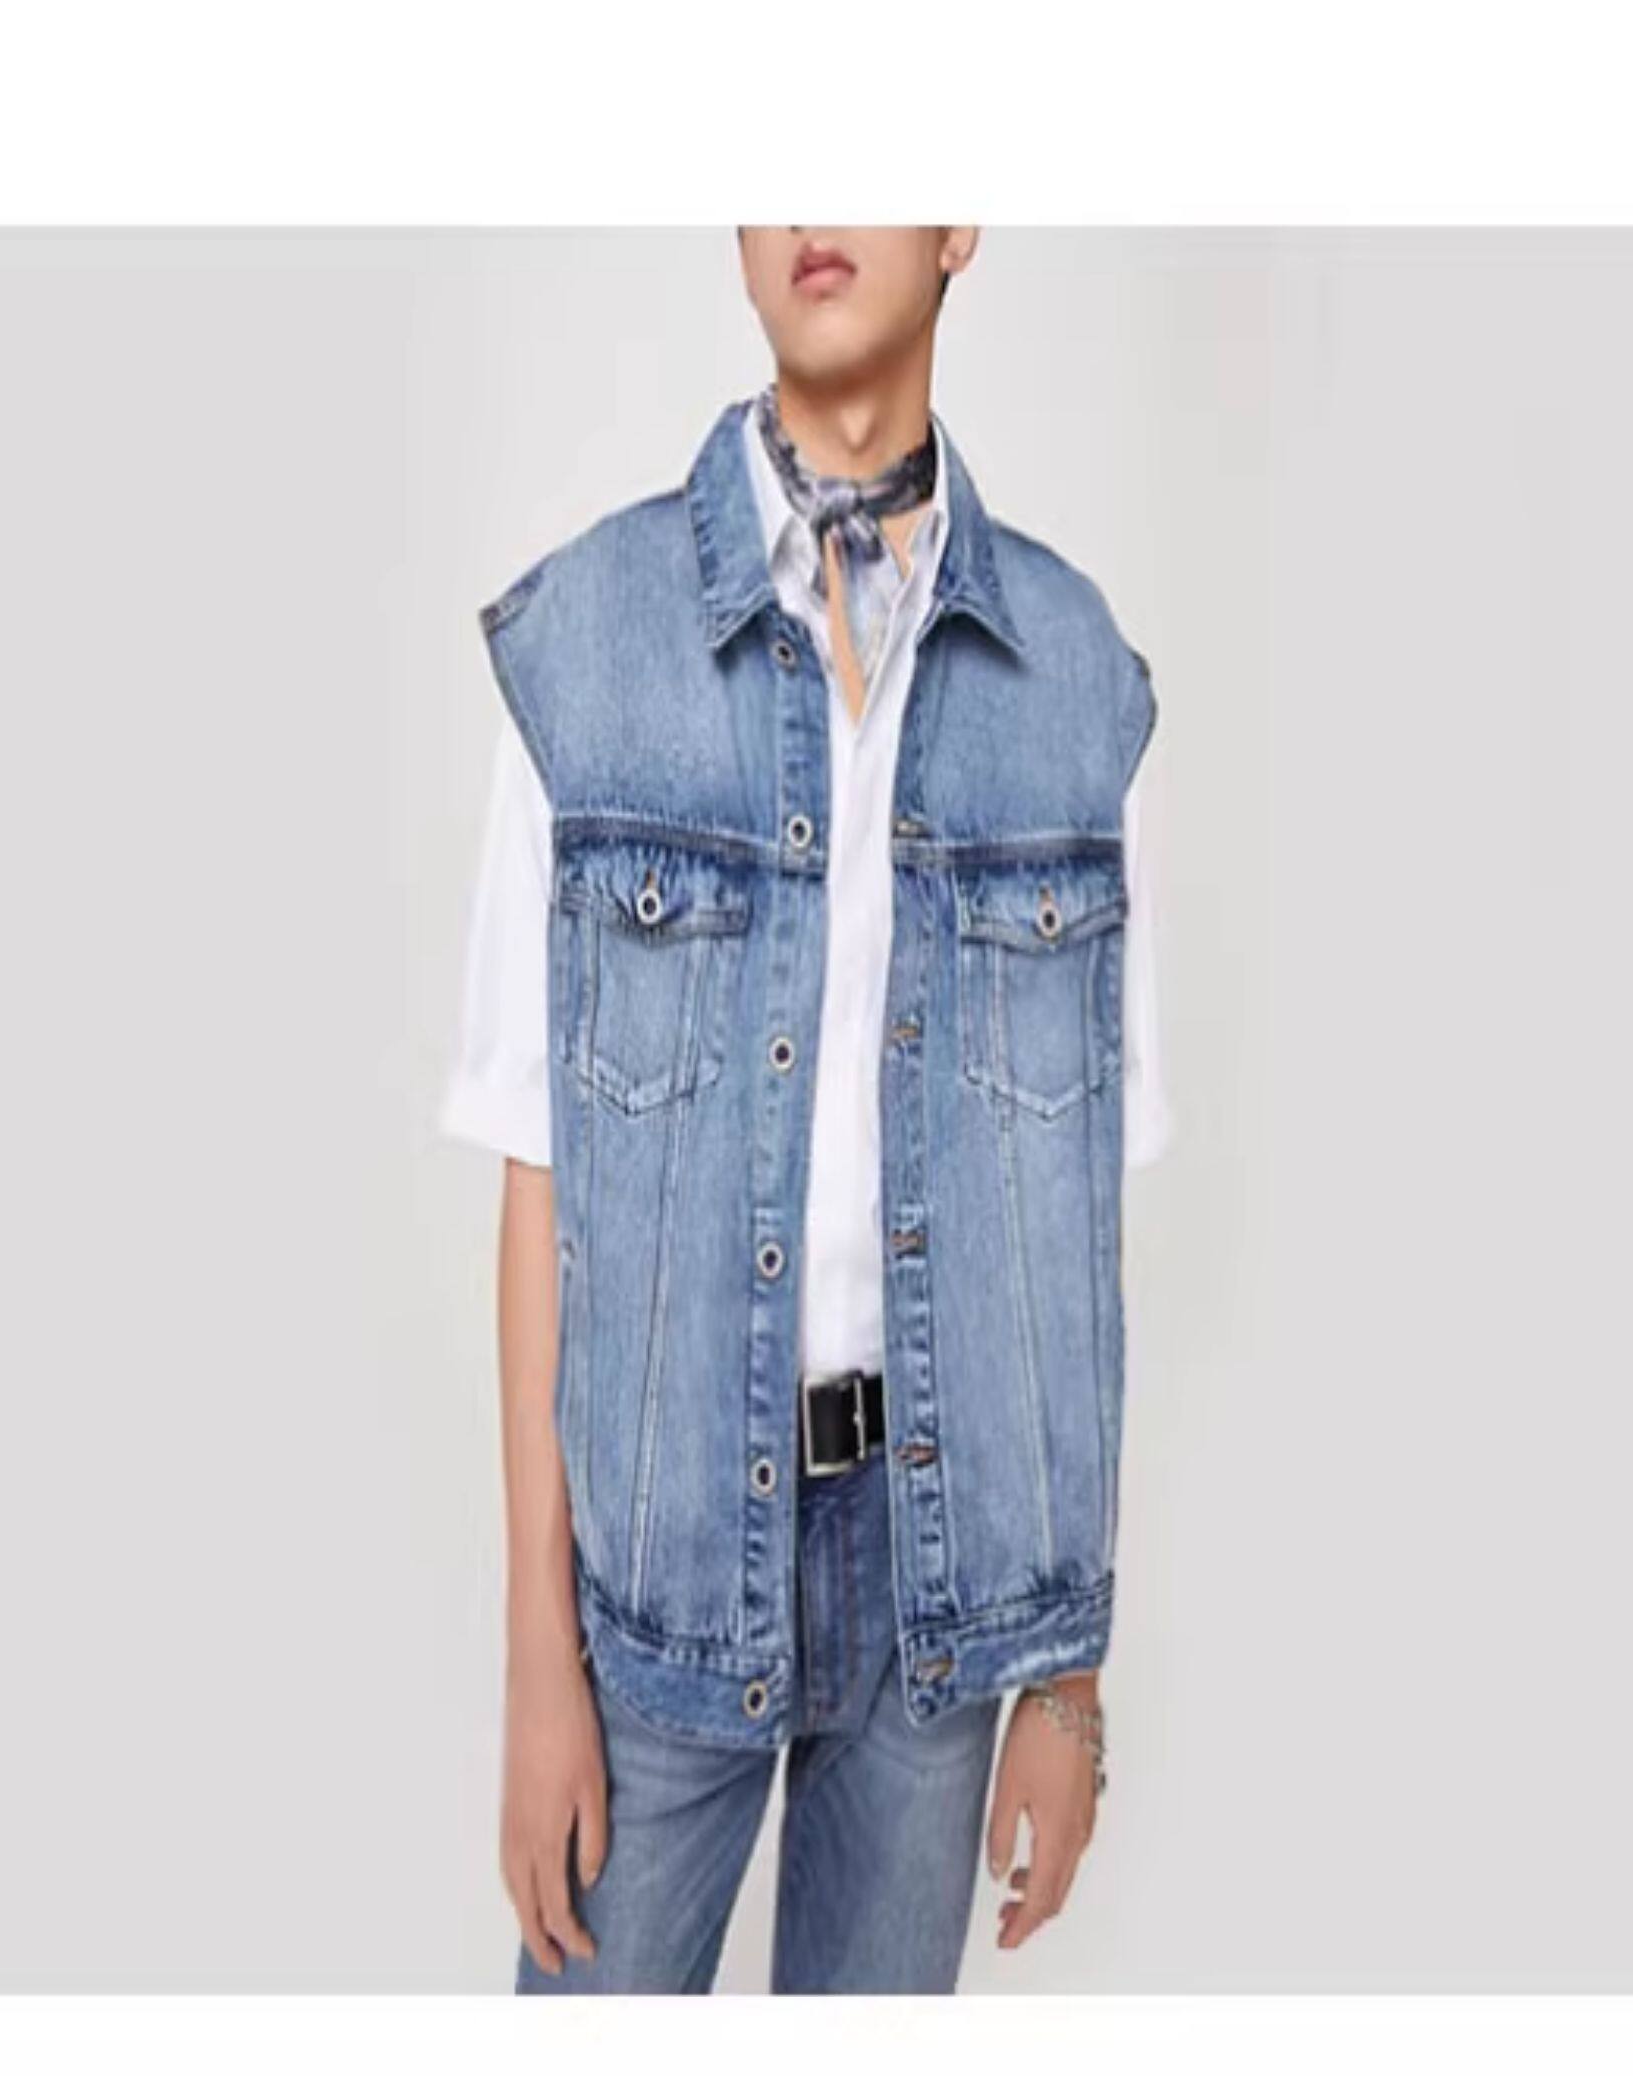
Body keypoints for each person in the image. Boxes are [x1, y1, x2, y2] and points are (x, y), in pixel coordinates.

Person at [438, 227, 1170, 1995]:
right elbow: (540, 1188)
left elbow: (1074, 1229)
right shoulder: (586, 646)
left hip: (937, 1599)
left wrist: (1066, 1676)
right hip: (665, 1578)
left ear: (960, 220)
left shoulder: (1079, 682)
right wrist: (540, 1663)